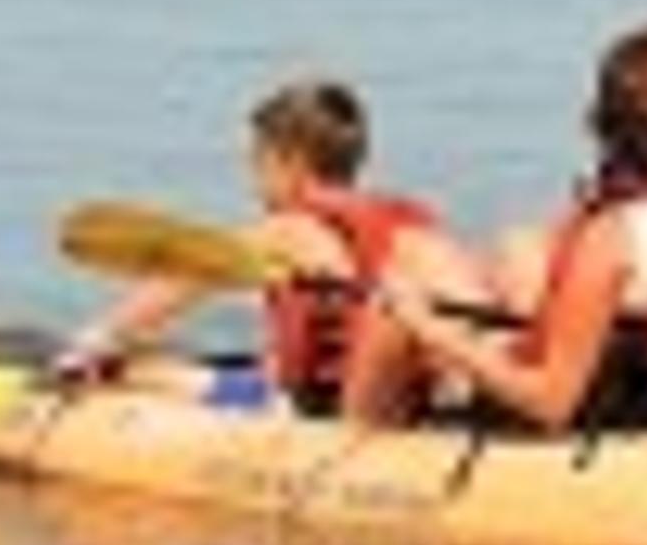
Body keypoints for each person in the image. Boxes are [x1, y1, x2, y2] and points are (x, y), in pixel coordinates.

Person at [350, 19, 647, 434]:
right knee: (498, 248)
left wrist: (427, 329)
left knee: (394, 299)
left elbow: (551, 403)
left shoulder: (616, 235)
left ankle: (347, 459)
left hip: (592, 415)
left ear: (608, 125)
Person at [54, 77, 441, 415]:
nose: (253, 183)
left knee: (136, 371)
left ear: (291, 164)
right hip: (399, 398)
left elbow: (185, 280)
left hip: (313, 407)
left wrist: (101, 338)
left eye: (258, 163)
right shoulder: (404, 220)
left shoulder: (286, 229)